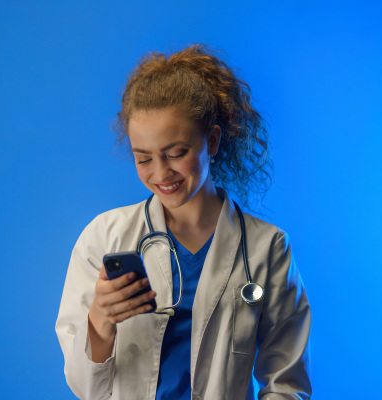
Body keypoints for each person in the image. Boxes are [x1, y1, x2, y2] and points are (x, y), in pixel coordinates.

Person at [56, 44, 311, 400]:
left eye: (176, 153)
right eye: (143, 159)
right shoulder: (105, 237)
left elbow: (286, 382)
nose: (161, 173)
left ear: (212, 140)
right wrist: (101, 320)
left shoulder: (267, 248)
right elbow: (85, 388)